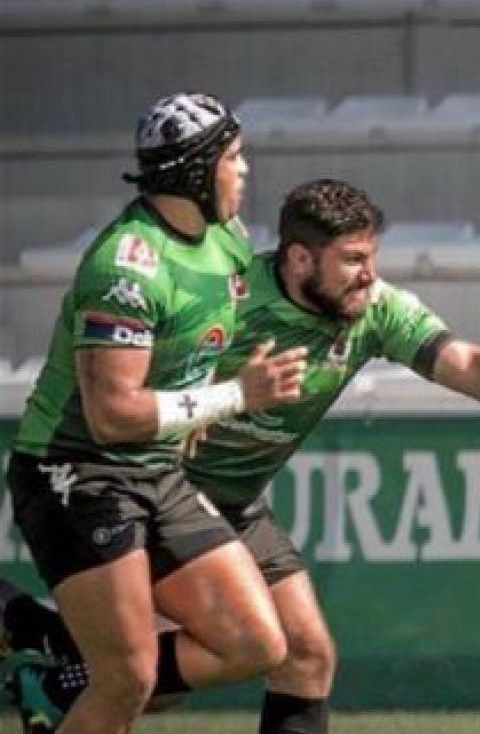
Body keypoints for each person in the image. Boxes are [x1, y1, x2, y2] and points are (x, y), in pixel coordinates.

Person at [1, 178, 480, 734]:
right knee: (152, 674)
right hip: (158, 492)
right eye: (354, 260)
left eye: (372, 257)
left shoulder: (376, 311)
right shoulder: (229, 296)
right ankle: (51, 653)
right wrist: (198, 405)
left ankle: (52, 662)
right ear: (301, 259)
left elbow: (463, 363)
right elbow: (125, 383)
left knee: (304, 656)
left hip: (236, 506)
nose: (370, 275)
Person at [2, 92, 309, 734]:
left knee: (256, 641)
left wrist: (196, 402)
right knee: (127, 682)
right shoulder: (126, 266)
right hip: (77, 475)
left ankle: (51, 665)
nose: (245, 170)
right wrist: (233, 397)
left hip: (156, 471)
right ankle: (60, 660)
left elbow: (196, 344)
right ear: (196, 171)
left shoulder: (224, 239)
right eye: (234, 156)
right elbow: (112, 415)